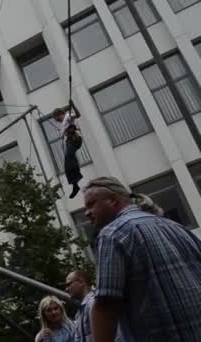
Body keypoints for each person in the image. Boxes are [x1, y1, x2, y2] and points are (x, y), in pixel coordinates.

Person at [83, 176, 201, 342]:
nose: (86, 212)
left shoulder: (112, 234)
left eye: (91, 204)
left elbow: (106, 305)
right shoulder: (176, 227)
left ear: (113, 201)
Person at [52, 100, 82, 199]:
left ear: (60, 114)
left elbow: (78, 115)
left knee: (69, 157)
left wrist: (73, 105)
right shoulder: (64, 122)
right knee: (67, 164)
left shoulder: (68, 116)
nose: (58, 121)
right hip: (70, 141)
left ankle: (76, 177)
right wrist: (63, 130)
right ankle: (75, 184)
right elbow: (64, 131)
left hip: (74, 139)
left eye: (58, 119)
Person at [65, 270, 94, 342]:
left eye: (69, 284)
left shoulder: (93, 304)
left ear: (81, 282)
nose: (66, 289)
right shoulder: (78, 314)